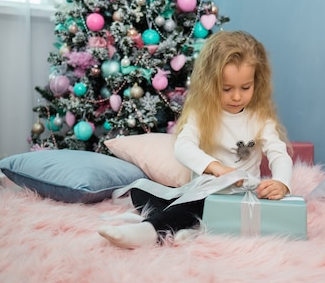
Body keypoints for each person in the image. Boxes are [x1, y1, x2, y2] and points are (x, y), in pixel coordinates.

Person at [98, 30, 293, 248]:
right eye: (227, 88)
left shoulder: (260, 118)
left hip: (239, 196)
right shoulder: (201, 114)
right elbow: (183, 147)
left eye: (245, 87)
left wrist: (282, 182)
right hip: (205, 188)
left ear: (257, 82)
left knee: (195, 205)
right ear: (210, 83)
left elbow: (278, 152)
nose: (237, 96)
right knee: (140, 191)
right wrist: (216, 168)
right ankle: (191, 227)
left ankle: (151, 231)